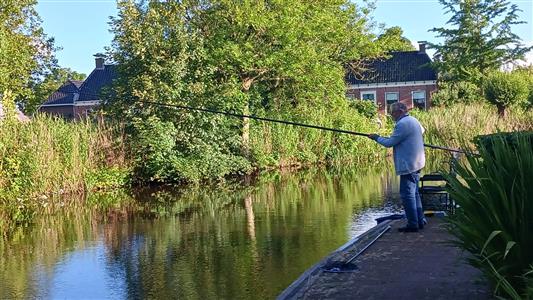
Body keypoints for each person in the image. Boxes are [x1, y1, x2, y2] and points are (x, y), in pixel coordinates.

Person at [368, 102, 426, 232]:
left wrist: (376, 137)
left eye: (392, 112)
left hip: (409, 164)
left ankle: (413, 224)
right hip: (417, 162)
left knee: (407, 195)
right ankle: (420, 220)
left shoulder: (402, 124)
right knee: (414, 193)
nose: (390, 115)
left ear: (400, 111)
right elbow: (422, 131)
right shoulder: (413, 120)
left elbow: (390, 143)